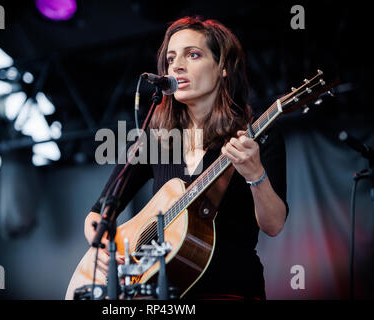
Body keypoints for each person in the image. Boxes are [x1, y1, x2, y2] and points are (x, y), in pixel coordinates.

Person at [83, 16, 288, 300]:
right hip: (161, 296)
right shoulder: (155, 139)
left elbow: (274, 225)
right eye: (170, 59)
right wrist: (104, 250)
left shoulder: (257, 136)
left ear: (223, 68)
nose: (177, 65)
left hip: (232, 290)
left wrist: (256, 175)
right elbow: (98, 214)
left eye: (193, 54)